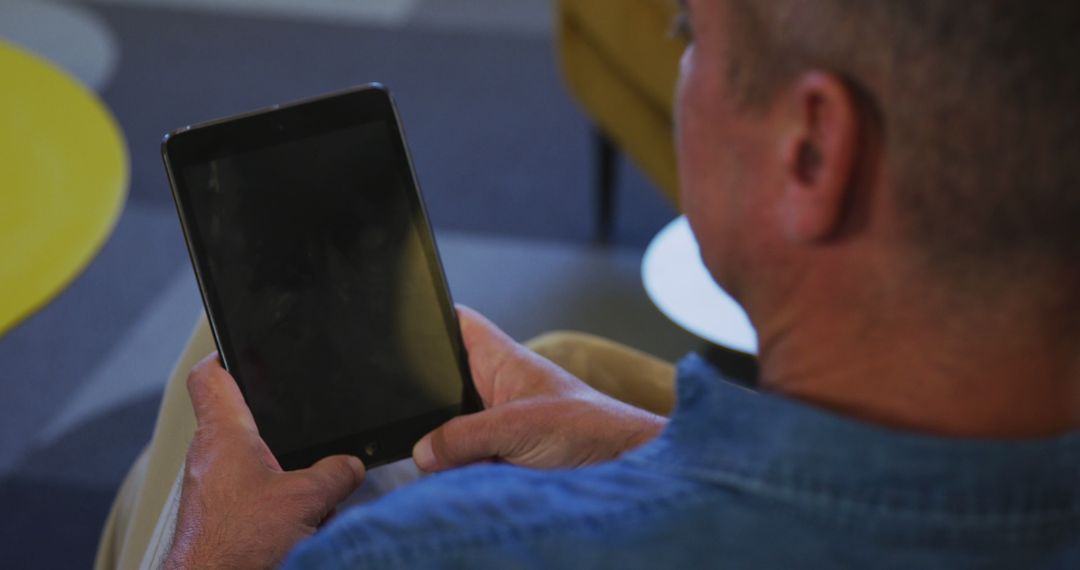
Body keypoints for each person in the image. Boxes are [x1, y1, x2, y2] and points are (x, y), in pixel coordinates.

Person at [97, 0, 1080, 567]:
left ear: (812, 151)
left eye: (692, 32)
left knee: (186, 447)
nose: (682, 62)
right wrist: (650, 451)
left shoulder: (425, 555)